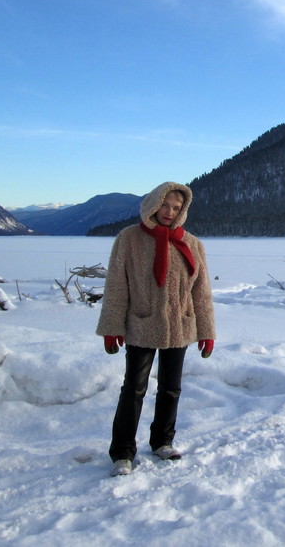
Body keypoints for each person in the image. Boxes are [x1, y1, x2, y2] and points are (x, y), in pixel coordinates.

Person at [96, 181, 216, 476]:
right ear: (153, 203)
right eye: (165, 205)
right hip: (142, 323)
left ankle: (163, 441)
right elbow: (116, 286)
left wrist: (206, 331)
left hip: (180, 325)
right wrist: (112, 326)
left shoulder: (192, 243)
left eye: (176, 208)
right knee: (133, 389)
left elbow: (201, 292)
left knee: (171, 388)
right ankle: (123, 452)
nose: (169, 212)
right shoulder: (129, 239)